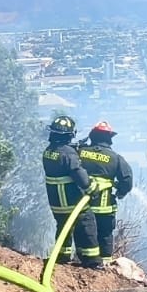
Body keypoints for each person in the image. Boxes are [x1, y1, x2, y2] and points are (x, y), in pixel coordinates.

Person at [42, 115, 104, 268]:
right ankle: (92, 261)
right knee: (87, 223)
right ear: (70, 135)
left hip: (56, 202)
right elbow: (78, 173)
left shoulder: (48, 151)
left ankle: (62, 256)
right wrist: (92, 188)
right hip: (71, 201)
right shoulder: (68, 153)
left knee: (63, 227)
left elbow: (60, 164)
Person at [77, 121, 134, 265]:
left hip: (81, 206)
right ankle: (105, 265)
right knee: (105, 235)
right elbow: (127, 180)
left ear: (92, 136)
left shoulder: (80, 152)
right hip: (104, 207)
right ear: (109, 138)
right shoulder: (115, 158)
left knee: (83, 233)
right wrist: (120, 193)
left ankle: (83, 262)